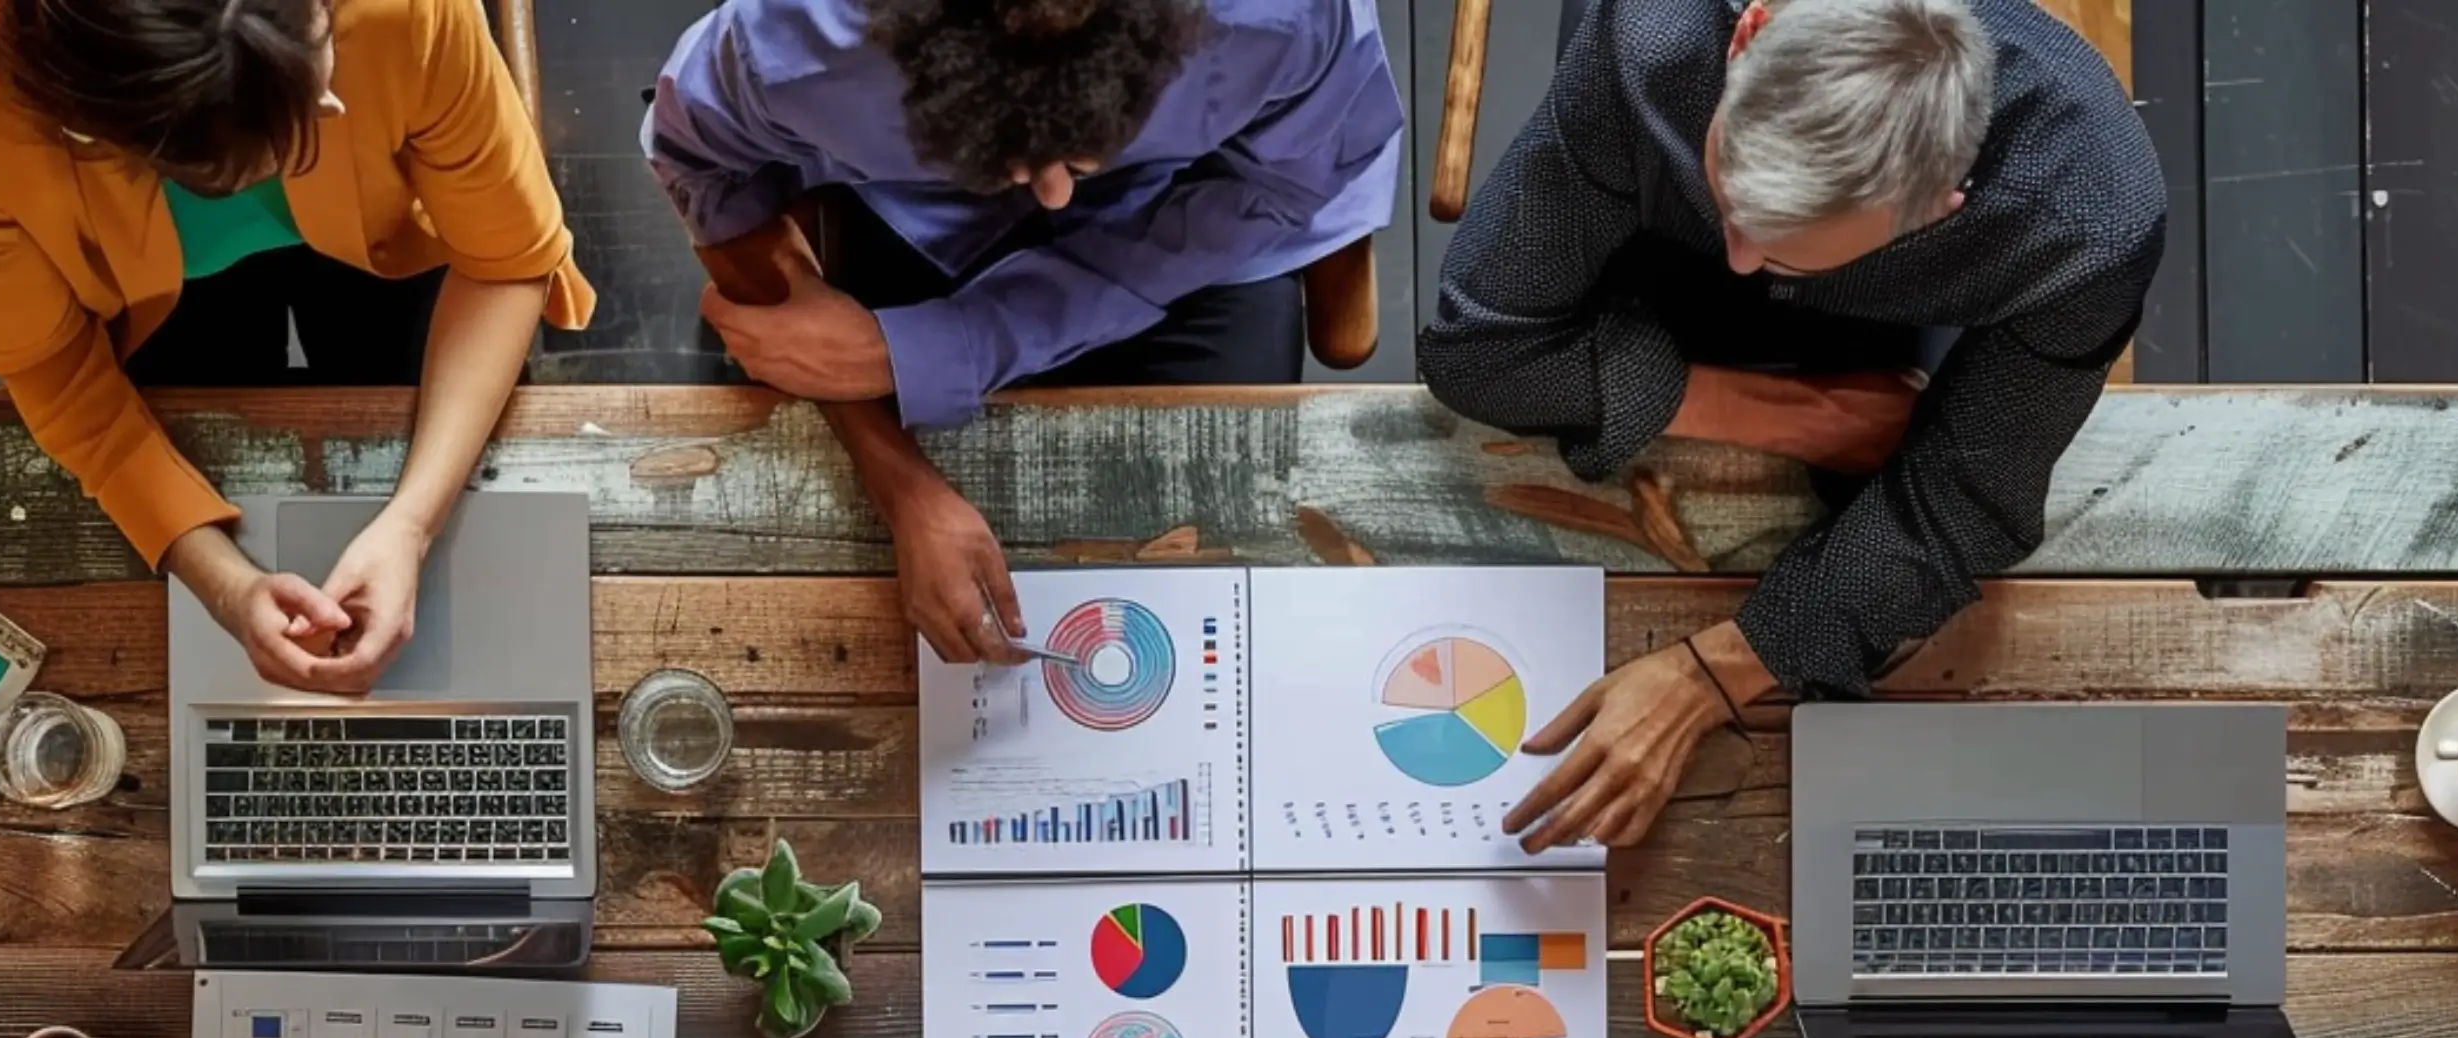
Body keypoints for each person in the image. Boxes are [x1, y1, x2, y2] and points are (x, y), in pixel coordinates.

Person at [1417, 0, 2164, 849]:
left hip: (1892, 310)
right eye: (1730, 204)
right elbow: (1479, 349)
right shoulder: (1646, 41)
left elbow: (1962, 508)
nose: (1739, 257)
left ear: (1937, 209)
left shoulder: (2087, 221)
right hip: (1650, 221)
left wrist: (1709, 676)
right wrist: (1806, 419)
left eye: (1774, 249)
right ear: (1750, 33)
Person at [644, 0, 1404, 663]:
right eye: (1013, 161)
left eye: (1080, 155)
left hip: (1200, 208)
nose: (1056, 194)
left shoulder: (1280, 17)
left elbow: (1280, 185)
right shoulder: (796, 39)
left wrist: (957, 343)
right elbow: (703, 169)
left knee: (1227, 543)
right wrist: (903, 486)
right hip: (915, 209)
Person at [0, 0, 592, 695]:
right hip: (152, 299)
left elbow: (503, 262)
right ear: (111, 142)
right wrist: (223, 584)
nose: (332, 103)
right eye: (266, 152)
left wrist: (412, 523)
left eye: (323, 33)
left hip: (390, 242)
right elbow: (52, 367)